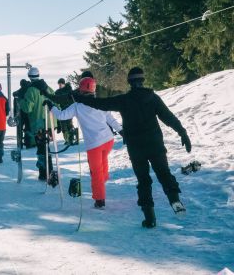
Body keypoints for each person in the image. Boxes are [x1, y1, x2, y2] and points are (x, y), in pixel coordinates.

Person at [72, 67, 192, 228]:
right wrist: (182, 132)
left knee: (143, 181)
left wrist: (80, 99)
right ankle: (174, 199)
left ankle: (149, 218)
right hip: (155, 144)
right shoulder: (153, 98)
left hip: (136, 148)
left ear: (129, 82)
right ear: (143, 80)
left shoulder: (124, 100)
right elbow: (168, 116)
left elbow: (101, 104)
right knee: (164, 173)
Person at [43, 77, 122, 208]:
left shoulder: (77, 106)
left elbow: (61, 115)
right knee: (102, 165)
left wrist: (51, 107)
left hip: (94, 145)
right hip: (108, 140)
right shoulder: (100, 102)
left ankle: (99, 200)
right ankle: (102, 182)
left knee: (96, 172)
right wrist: (121, 131)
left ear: (81, 90)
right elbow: (110, 118)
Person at [20, 67, 55, 180]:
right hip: (50, 123)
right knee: (46, 147)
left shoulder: (31, 90)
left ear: (29, 77)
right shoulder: (49, 89)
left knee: (41, 148)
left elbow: (28, 108)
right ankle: (49, 170)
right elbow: (56, 103)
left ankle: (44, 173)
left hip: (38, 124)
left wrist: (20, 101)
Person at [54, 78, 77, 146]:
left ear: (64, 84)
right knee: (65, 125)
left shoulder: (68, 91)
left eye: (61, 84)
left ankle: (70, 138)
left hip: (68, 110)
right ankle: (68, 139)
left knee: (68, 124)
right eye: (59, 84)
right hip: (64, 110)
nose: (60, 85)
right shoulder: (59, 92)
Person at [13, 79, 33, 148]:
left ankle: (19, 144)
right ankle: (28, 143)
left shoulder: (18, 93)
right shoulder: (30, 90)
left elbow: (15, 105)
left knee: (19, 129)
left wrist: (15, 115)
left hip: (20, 113)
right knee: (28, 129)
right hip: (28, 113)